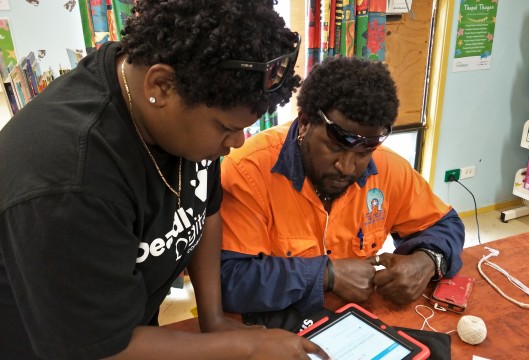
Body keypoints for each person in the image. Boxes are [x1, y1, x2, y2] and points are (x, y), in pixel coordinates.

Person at [0, 0, 330, 359]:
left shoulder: (179, 103)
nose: (237, 143)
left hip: (128, 328)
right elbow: (98, 350)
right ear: (161, 85)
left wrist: (214, 318)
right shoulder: (70, 183)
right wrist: (248, 346)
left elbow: (206, 209)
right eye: (226, 128)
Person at [220, 57, 465, 328]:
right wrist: (326, 275)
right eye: (335, 147)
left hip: (360, 325)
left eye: (364, 152)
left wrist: (427, 260)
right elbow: (228, 278)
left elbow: (445, 224)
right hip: (274, 333)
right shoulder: (247, 170)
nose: (346, 167)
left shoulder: (389, 168)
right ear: (304, 123)